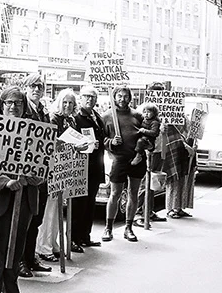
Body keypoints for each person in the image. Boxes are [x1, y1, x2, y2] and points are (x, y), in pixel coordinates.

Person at [0, 86, 43, 293]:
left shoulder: (34, 132)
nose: (13, 107)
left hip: (25, 198)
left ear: (24, 106)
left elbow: (42, 166)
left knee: (16, 247)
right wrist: (6, 181)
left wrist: (30, 178)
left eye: (18, 103)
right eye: (9, 102)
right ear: (1, 105)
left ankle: (12, 290)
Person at [36, 88, 77, 261]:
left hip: (64, 169)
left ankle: (53, 244)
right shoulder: (54, 118)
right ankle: (44, 246)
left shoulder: (71, 120)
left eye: (71, 103)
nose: (67, 105)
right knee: (49, 210)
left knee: (58, 208)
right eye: (64, 102)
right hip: (52, 169)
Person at [101, 86, 145, 242]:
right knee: (115, 194)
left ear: (130, 98)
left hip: (137, 159)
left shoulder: (138, 116)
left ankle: (129, 228)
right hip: (118, 159)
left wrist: (140, 153)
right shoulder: (106, 116)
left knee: (134, 193)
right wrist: (111, 142)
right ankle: (108, 228)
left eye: (126, 96)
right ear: (114, 97)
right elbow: (102, 140)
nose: (122, 99)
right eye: (119, 96)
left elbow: (147, 137)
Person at [19, 73, 52, 277]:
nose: (37, 89)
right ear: (26, 87)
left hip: (43, 172)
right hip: (27, 172)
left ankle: (31, 257)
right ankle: (21, 261)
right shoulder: (22, 108)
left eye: (40, 86)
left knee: (37, 218)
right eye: (33, 86)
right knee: (25, 219)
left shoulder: (43, 110)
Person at [72, 85, 106, 252]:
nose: (89, 99)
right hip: (81, 167)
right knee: (79, 204)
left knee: (90, 203)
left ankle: (85, 236)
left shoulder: (96, 116)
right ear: (80, 98)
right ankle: (74, 239)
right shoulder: (76, 118)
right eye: (86, 96)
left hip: (95, 166)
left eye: (92, 97)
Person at [134, 82, 168, 227]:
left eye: (160, 93)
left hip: (159, 148)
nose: (158, 96)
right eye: (156, 92)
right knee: (144, 182)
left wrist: (164, 130)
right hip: (147, 149)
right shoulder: (143, 109)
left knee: (154, 181)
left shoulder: (164, 110)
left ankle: (149, 211)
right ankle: (138, 213)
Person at [162, 117, 196, 219]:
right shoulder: (168, 120)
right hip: (174, 152)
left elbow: (189, 134)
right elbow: (170, 138)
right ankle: (170, 209)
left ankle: (179, 207)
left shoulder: (184, 118)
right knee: (173, 182)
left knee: (184, 181)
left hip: (185, 155)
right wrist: (185, 146)